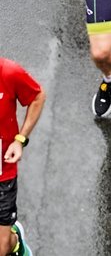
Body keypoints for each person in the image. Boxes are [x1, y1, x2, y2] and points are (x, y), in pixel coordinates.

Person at [0, 57, 46, 256]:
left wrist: (20, 140)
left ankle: (15, 239)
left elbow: (37, 96)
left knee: (1, 248)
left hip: (3, 173)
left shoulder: (8, 72)